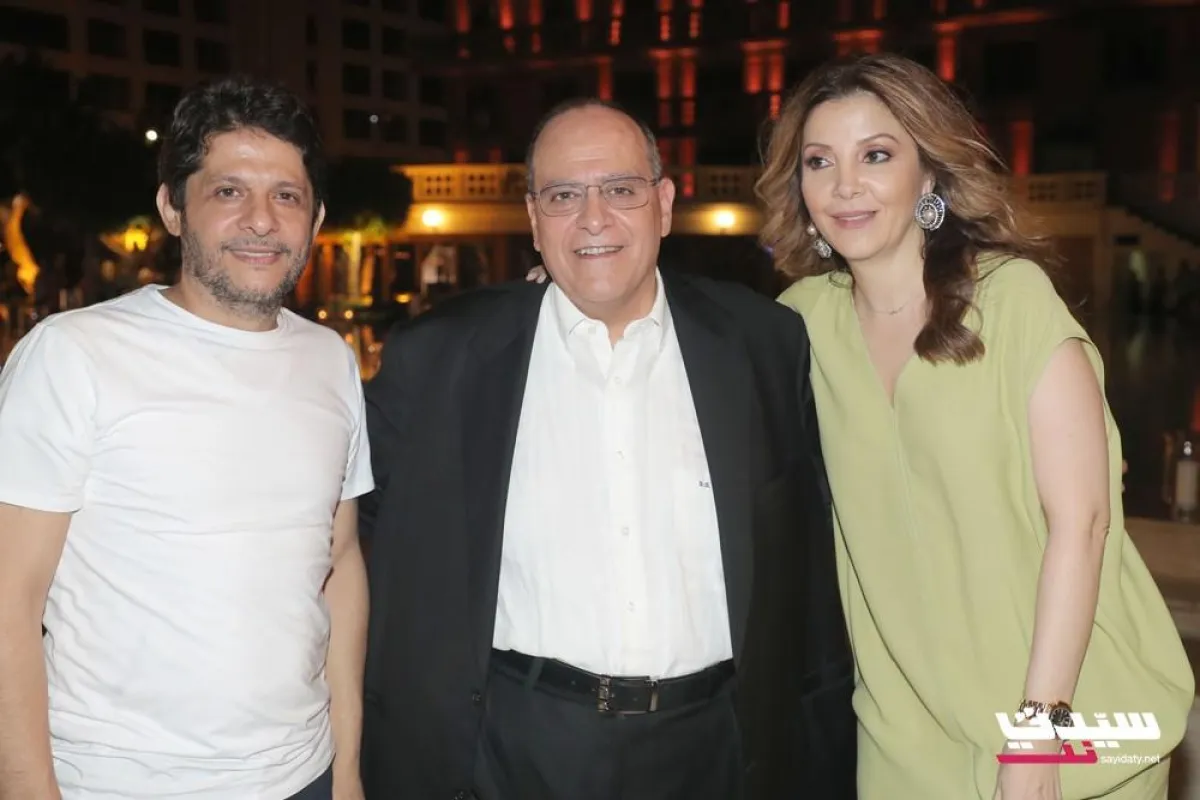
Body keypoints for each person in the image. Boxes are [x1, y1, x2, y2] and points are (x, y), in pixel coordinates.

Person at [359, 98, 856, 800]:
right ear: (534, 219)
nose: (593, 219)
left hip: (722, 748)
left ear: (664, 205)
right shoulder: (441, 358)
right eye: (564, 196)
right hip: (516, 748)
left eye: (620, 190)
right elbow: (344, 536)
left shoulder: (763, 344)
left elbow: (813, 562)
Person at [758, 53, 1194, 799]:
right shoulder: (800, 323)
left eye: (876, 155)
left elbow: (1083, 523)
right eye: (819, 162)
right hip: (904, 737)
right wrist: (566, 296)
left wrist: (1039, 737)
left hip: (1077, 720)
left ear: (929, 173)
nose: (844, 185)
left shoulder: (1013, 300)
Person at [0, 77, 371, 800]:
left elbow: (342, 563)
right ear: (173, 207)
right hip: (120, 784)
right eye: (229, 191)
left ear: (317, 217)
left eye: (287, 195)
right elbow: (10, 597)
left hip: (304, 775)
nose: (261, 220)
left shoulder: (330, 359)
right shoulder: (73, 354)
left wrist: (349, 769)